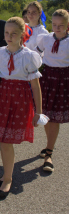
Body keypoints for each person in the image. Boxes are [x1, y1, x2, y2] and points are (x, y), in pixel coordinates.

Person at [0, 17, 42, 199]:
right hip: (2, 98)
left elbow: (35, 86)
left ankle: (8, 177)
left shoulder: (28, 56)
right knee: (3, 139)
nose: (9, 37)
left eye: (14, 33)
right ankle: (7, 173)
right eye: (7, 33)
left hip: (19, 100)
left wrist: (39, 112)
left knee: (7, 140)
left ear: (22, 35)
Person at [35, 9, 69, 172]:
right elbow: (36, 52)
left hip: (63, 80)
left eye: (61, 25)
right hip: (46, 78)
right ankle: (50, 145)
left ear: (67, 25)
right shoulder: (46, 38)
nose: (57, 28)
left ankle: (49, 153)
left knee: (54, 118)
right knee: (46, 115)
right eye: (54, 24)